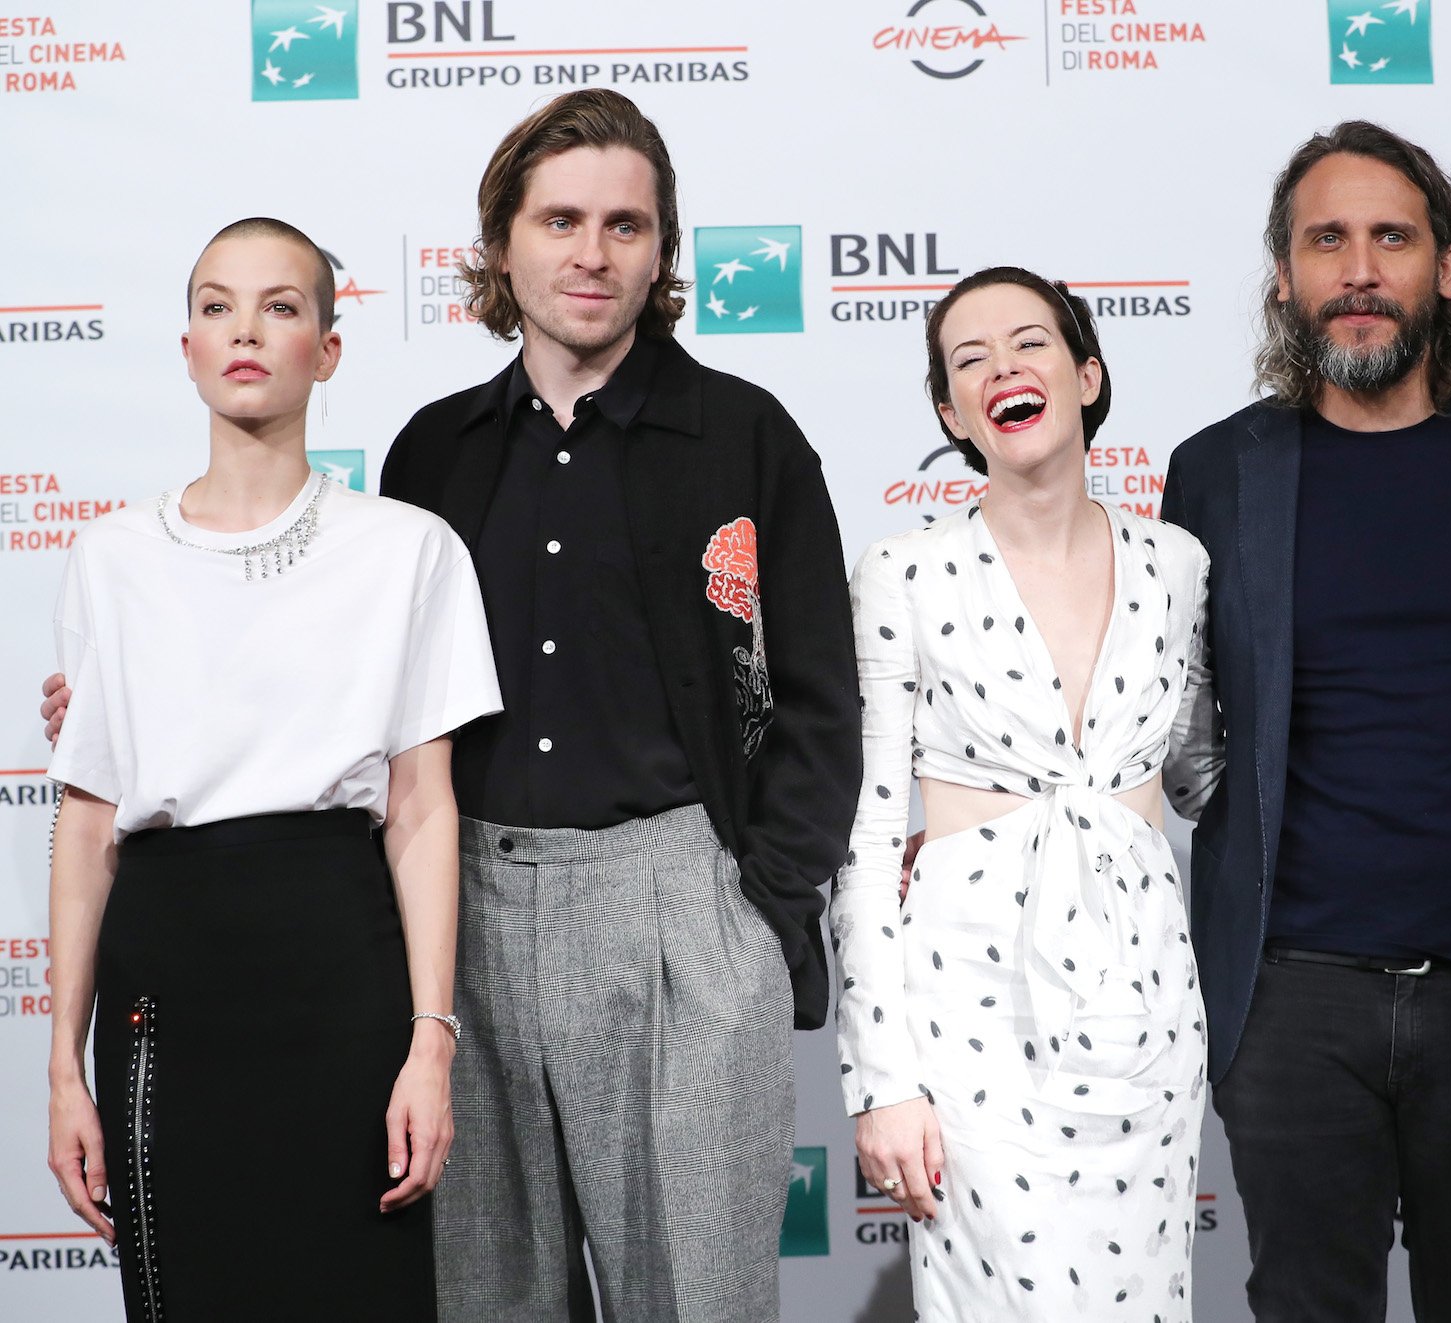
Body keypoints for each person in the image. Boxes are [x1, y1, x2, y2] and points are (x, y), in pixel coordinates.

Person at [41, 90, 860, 1323]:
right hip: (461, 911)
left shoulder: (744, 436)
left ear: (662, 251)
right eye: (561, 219)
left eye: (626, 226)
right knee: (485, 1301)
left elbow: (819, 698)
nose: (591, 253)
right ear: (501, 245)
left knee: (701, 1301)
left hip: (678, 907)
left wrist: (759, 913)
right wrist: (133, 683)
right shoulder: (436, 454)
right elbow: (354, 675)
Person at [1159, 123, 1451, 1322]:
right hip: (1291, 992)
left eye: (1390, 237)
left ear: (1446, 268)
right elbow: (1179, 729)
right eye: (1326, 239)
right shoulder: (1215, 475)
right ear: (1285, 275)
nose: (1358, 268)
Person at [43, 217, 500, 1322]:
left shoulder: (409, 551)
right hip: (168, 991)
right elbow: (90, 828)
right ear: (188, 345)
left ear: (328, 350)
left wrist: (429, 1047)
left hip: (345, 982)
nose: (245, 330)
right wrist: (62, 1066)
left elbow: (423, 812)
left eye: (281, 306)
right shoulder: (109, 559)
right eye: (216, 305)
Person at [835, 266, 1215, 1320]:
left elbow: (1203, 779)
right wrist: (883, 1082)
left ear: (1087, 374)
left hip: (1144, 1002)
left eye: (1030, 342)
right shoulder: (902, 573)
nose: (1003, 366)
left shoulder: (1177, 565)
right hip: (969, 1008)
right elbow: (863, 843)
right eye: (969, 359)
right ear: (951, 413)